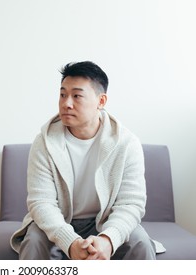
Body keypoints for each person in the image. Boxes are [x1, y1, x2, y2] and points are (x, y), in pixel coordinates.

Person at [10, 61, 156, 260]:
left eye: (77, 96)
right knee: (33, 240)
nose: (66, 103)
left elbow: (131, 204)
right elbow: (41, 202)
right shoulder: (44, 142)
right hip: (59, 221)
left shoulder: (126, 143)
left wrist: (108, 239)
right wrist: (70, 242)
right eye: (62, 94)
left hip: (105, 221)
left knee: (140, 242)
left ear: (101, 101)